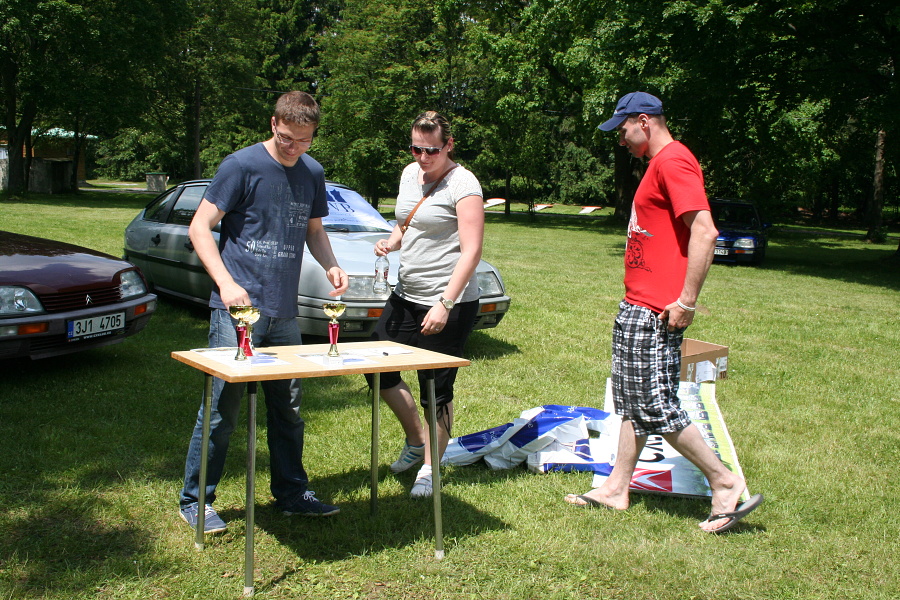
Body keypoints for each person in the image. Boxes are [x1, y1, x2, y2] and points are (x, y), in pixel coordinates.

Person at [564, 92, 763, 533]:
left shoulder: (674, 161)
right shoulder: (658, 164)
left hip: (657, 310)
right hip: (637, 303)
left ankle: (724, 481)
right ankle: (616, 488)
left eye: (623, 130)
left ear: (644, 121)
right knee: (632, 401)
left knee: (656, 405)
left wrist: (686, 301)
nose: (621, 140)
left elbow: (705, 232)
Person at [178, 91, 349, 534]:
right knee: (221, 411)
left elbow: (314, 230)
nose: (295, 148)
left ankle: (292, 494)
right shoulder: (241, 165)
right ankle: (196, 501)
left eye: (305, 141)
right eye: (288, 138)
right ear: (274, 124)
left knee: (288, 409)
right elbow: (199, 227)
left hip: (284, 314)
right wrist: (226, 283)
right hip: (237, 314)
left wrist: (330, 264)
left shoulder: (312, 172)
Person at [368, 111, 484, 498]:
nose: (422, 157)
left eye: (431, 150)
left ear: (448, 145)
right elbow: (406, 222)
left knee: (435, 387)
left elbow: (472, 251)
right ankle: (417, 440)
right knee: (376, 366)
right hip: (406, 293)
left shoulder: (463, 184)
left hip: (448, 300)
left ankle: (431, 469)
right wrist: (391, 241)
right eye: (416, 148)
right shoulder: (409, 174)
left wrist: (445, 303)